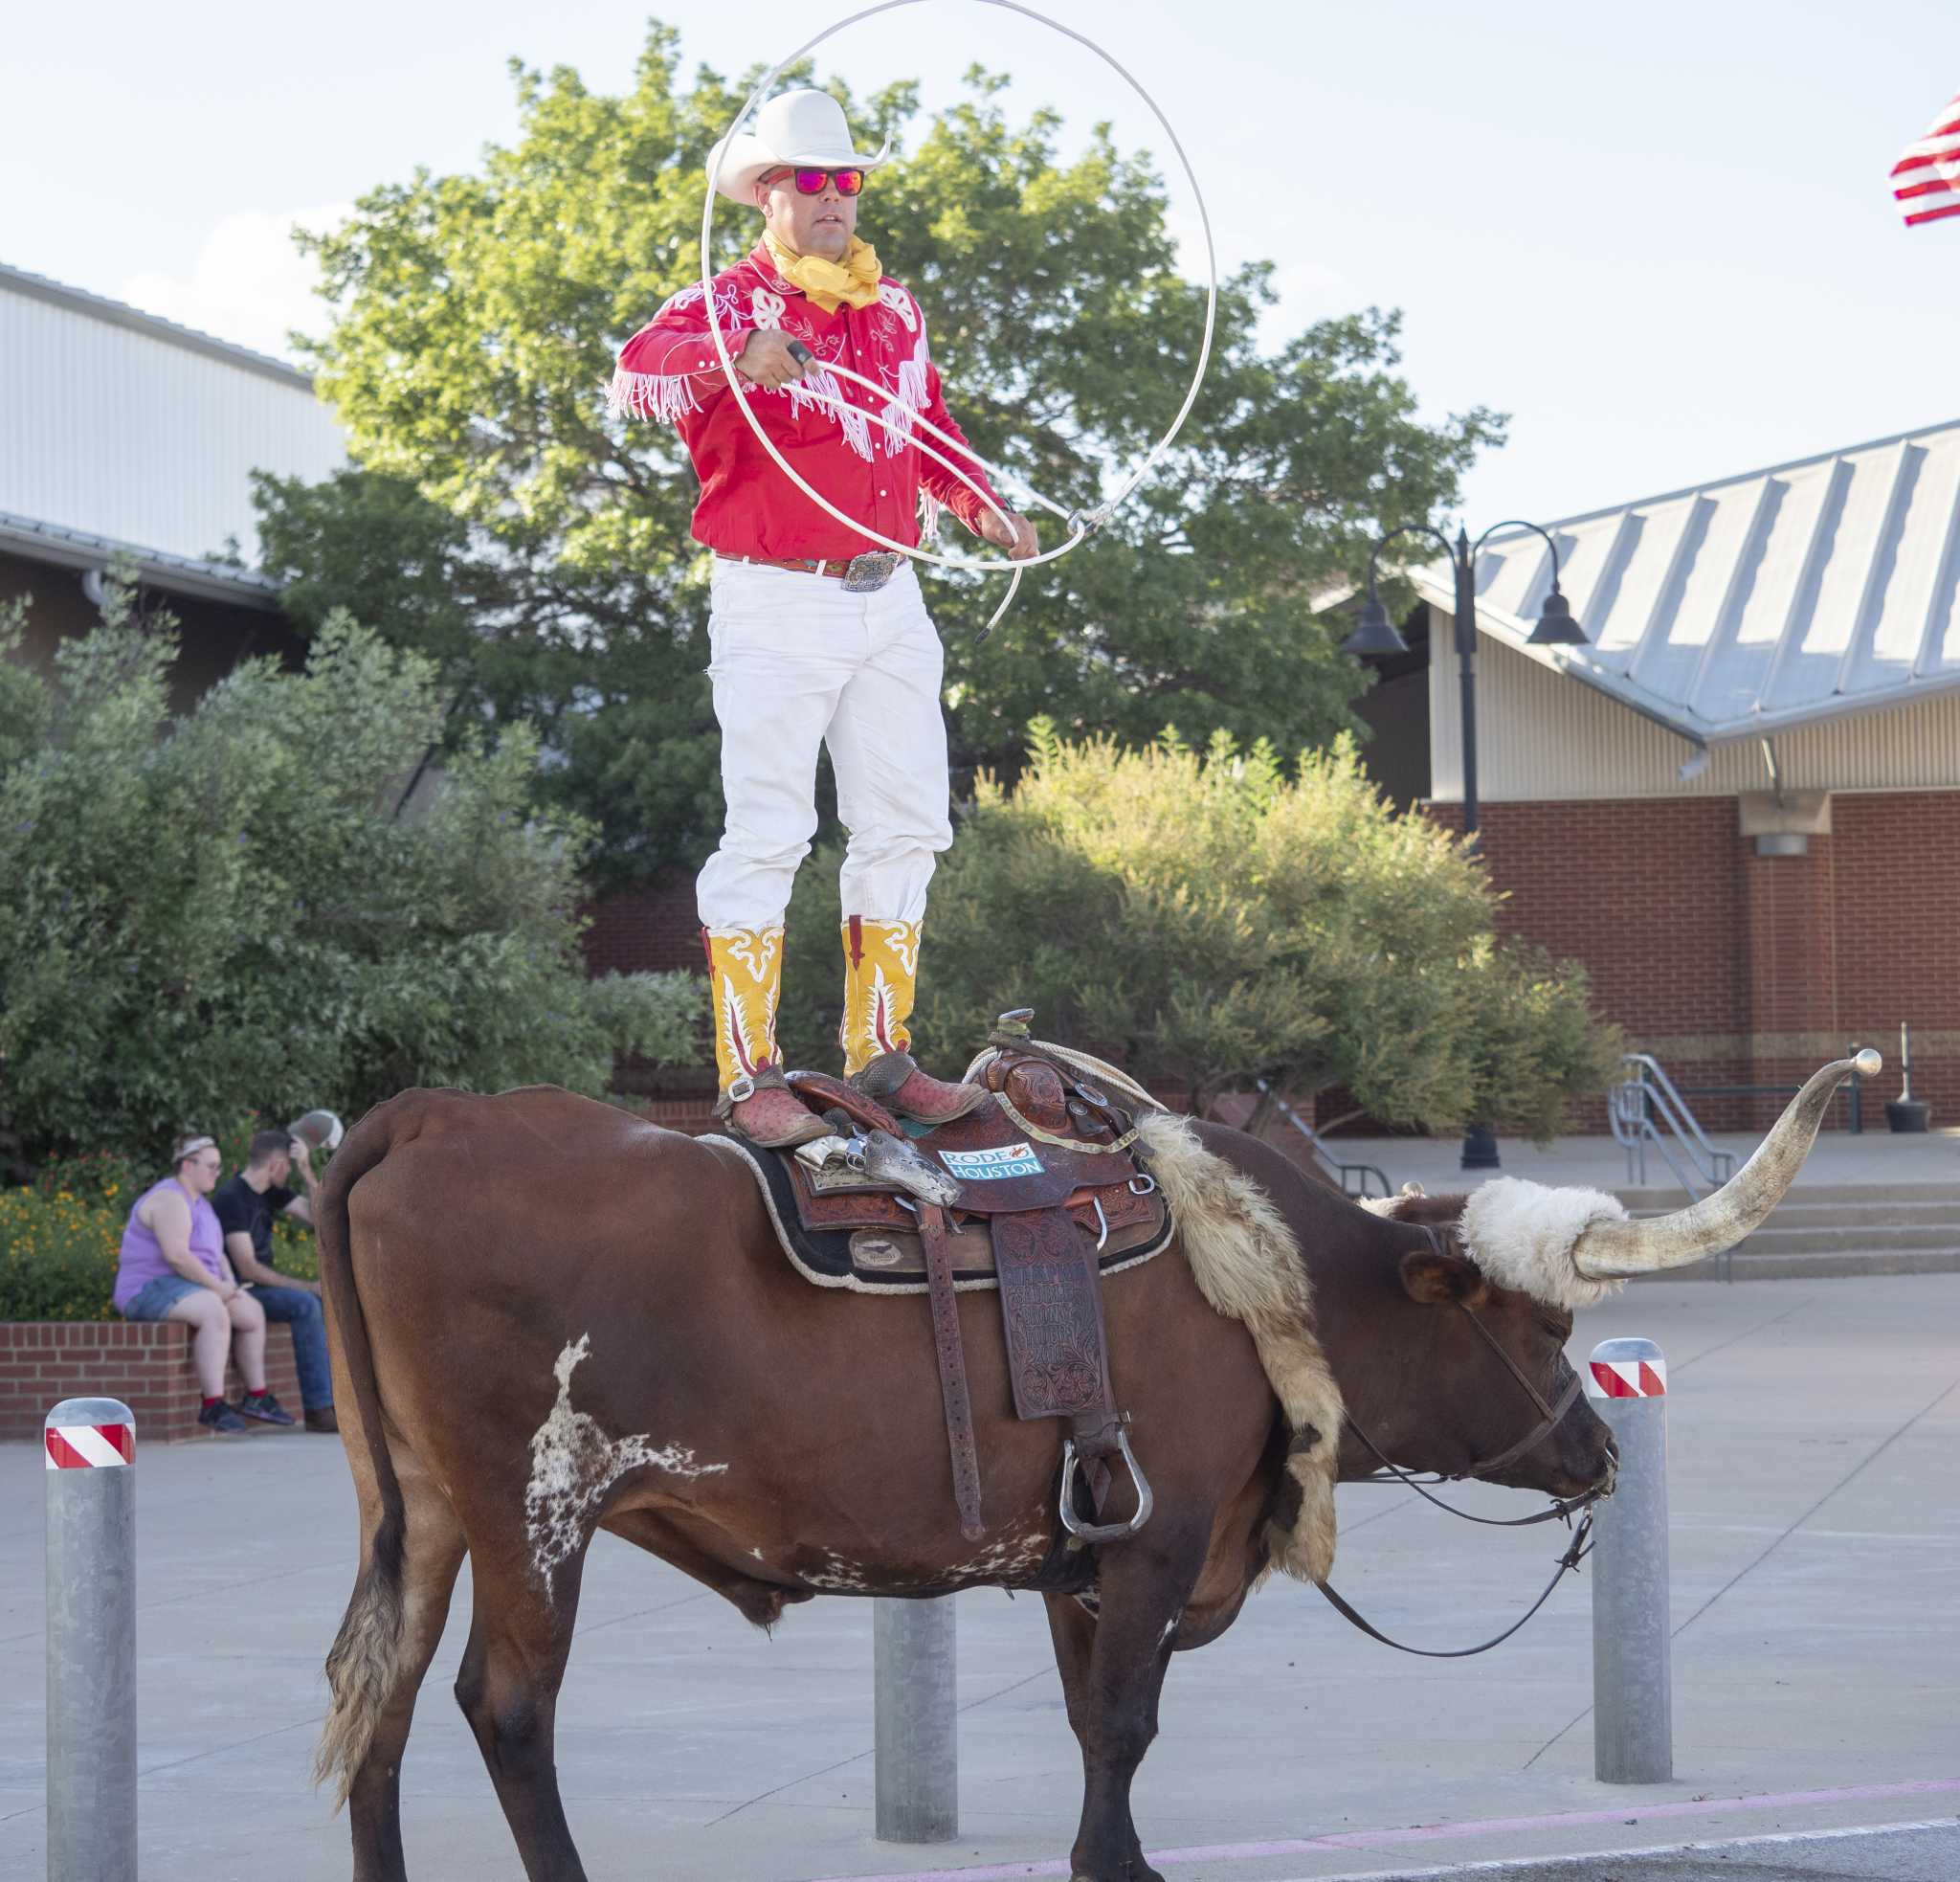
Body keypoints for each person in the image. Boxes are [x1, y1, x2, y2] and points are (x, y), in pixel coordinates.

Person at [611, 88, 1039, 1148]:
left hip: (889, 593)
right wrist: (730, 356)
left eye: (845, 180)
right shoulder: (721, 302)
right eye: (810, 181)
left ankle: (881, 1053)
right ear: (765, 196)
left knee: (905, 822)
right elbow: (632, 372)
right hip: (772, 594)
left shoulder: (891, 309)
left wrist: (976, 500)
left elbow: (925, 424)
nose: (833, 198)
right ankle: (745, 1072)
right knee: (767, 831)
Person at [113, 1133, 295, 1433]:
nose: (216, 1172)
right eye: (211, 1166)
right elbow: (177, 1257)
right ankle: (212, 1405)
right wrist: (216, 1288)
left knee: (250, 1313)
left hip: (187, 1285)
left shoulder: (202, 1205)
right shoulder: (170, 1199)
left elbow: (218, 1253)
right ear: (187, 1165)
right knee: (213, 1310)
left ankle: (257, 1396)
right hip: (149, 1287)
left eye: (219, 1167)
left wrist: (227, 1282)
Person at [212, 1130, 337, 1434]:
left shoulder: (271, 1192)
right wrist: (306, 1286)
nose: (291, 1172)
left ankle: (335, 1402)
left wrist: (307, 1170)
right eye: (291, 1166)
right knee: (306, 1304)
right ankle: (319, 1410)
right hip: (239, 1289)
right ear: (277, 1164)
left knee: (323, 1301)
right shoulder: (232, 1198)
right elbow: (248, 1268)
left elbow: (322, 1217)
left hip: (260, 1289)